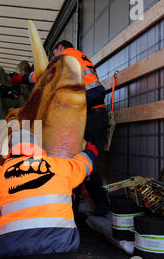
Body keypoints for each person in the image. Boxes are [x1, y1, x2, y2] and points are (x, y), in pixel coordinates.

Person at [0, 129, 98, 259]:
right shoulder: (61, 167)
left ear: (11, 150)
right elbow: (84, 164)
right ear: (37, 147)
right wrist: (90, 151)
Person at [11, 41, 110, 216]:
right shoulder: (81, 57)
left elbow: (43, 74)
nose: (54, 55)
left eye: (54, 51)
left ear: (61, 48)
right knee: (82, 157)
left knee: (84, 158)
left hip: (89, 115)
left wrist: (21, 79)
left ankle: (100, 203)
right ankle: (76, 205)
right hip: (96, 113)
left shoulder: (67, 56)